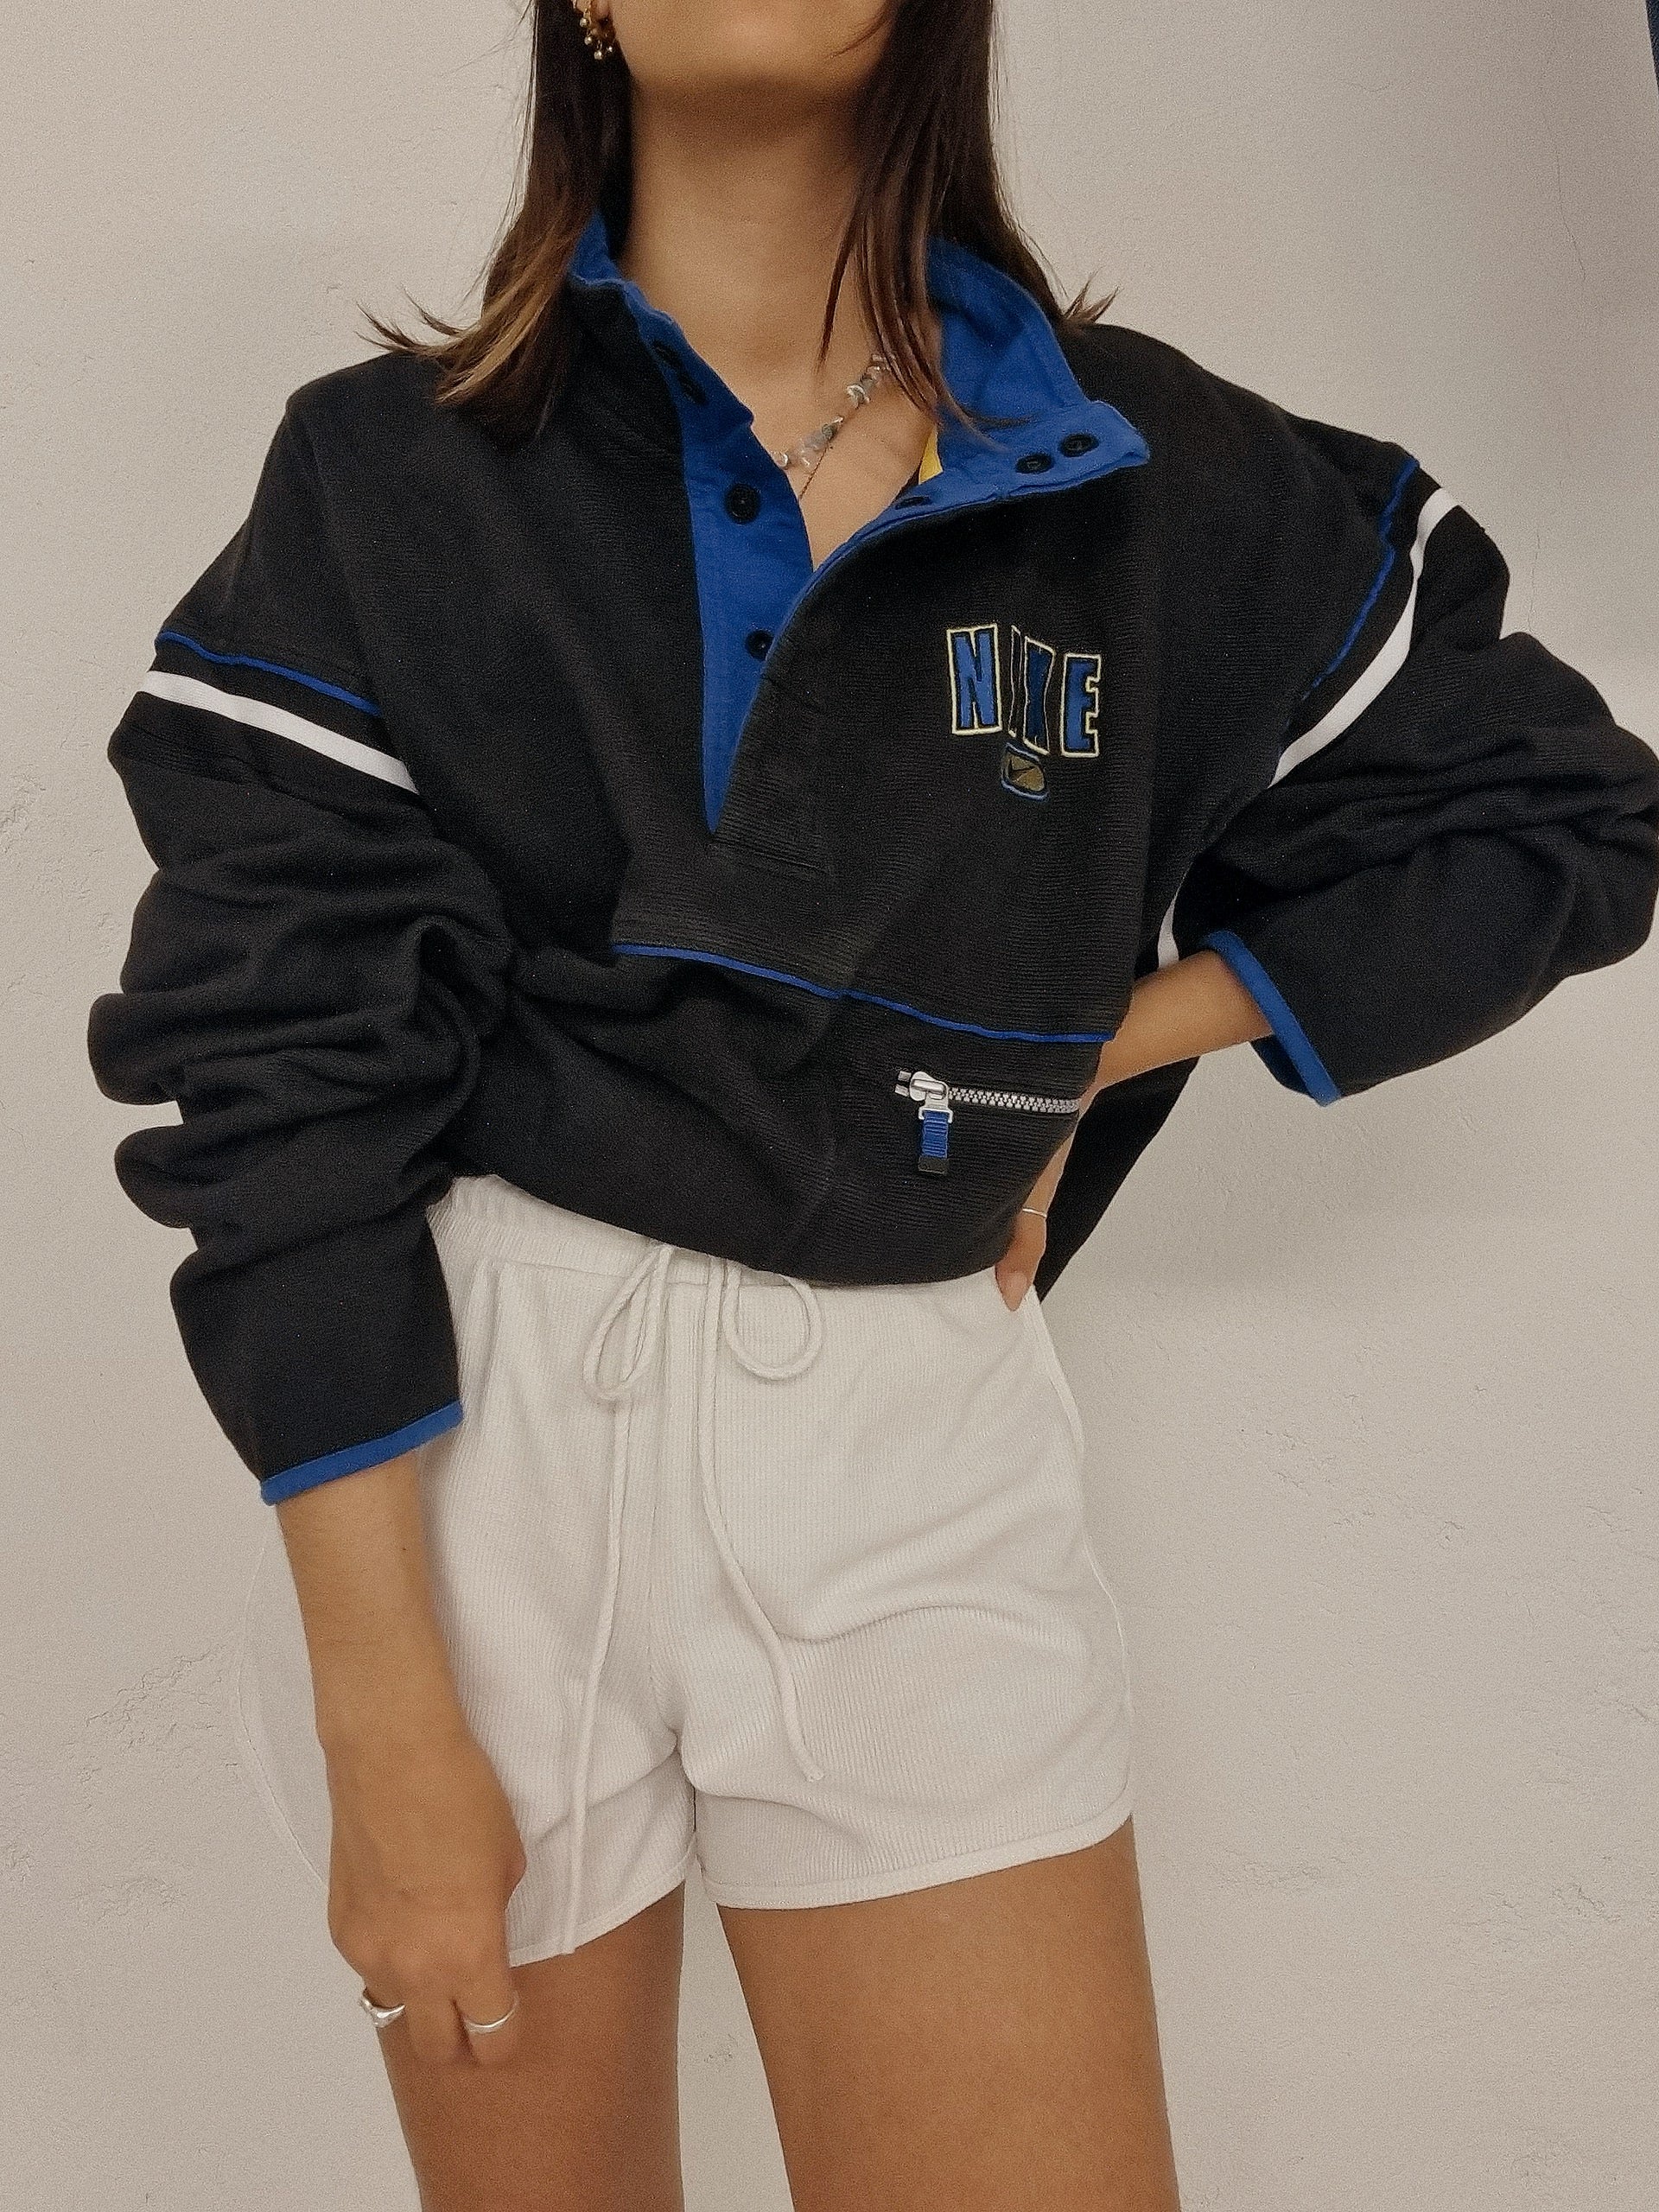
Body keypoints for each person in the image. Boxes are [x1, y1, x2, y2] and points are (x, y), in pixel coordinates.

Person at [85, 3, 1659, 2207]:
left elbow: (1558, 815)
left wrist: (1084, 1042)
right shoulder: (391, 475)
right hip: (464, 1450)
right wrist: (383, 1707)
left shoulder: (1137, 477)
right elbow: (276, 1074)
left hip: (910, 1447)